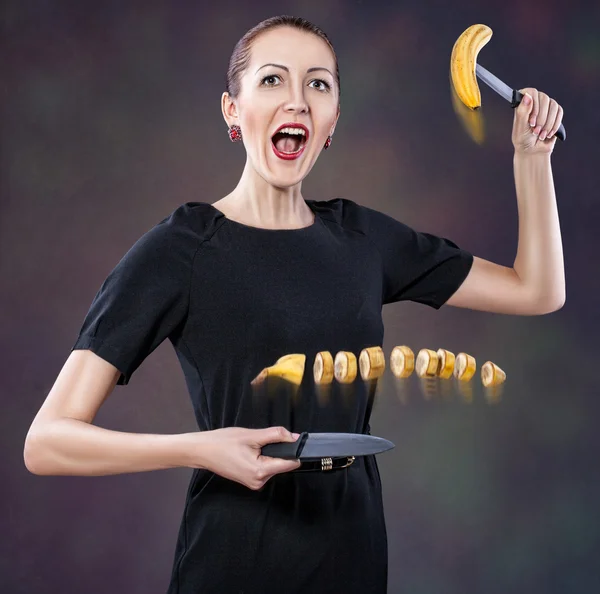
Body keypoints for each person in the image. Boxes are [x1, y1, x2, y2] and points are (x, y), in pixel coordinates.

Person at [23, 15, 565, 594]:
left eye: (319, 84)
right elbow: (48, 440)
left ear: (332, 121)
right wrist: (200, 449)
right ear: (233, 110)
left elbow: (537, 290)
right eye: (273, 80)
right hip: (236, 563)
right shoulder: (181, 249)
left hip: (353, 555)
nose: (299, 101)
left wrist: (531, 159)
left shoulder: (363, 239)